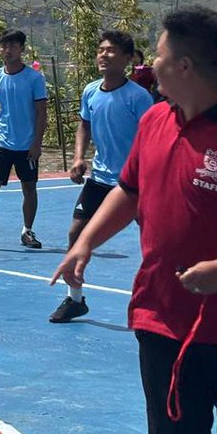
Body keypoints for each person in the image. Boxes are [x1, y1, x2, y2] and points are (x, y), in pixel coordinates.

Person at [53, 7, 217, 434]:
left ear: (185, 67)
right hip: (163, 318)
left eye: (159, 56)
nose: (150, 66)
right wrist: (86, 242)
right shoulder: (154, 120)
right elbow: (130, 190)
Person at [49, 30, 153, 323]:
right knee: (75, 234)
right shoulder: (91, 91)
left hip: (135, 183)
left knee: (153, 240)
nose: (103, 55)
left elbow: (151, 136)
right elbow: (85, 125)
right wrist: (79, 158)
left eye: (111, 51)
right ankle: (75, 299)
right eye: (101, 50)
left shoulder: (139, 97)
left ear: (128, 59)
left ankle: (161, 297)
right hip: (100, 178)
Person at [0, 29, 48, 251]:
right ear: (0, 49)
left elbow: (41, 112)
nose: (8, 50)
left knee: (29, 187)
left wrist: (36, 143)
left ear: (21, 49)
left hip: (27, 145)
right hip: (1, 142)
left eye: (13, 46)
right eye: (4, 46)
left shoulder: (35, 78)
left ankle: (27, 231)